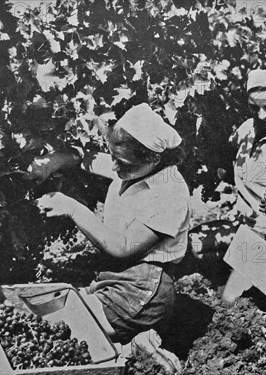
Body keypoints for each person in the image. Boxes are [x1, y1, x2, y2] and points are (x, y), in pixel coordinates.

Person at [28, 103, 188, 371]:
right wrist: (55, 160)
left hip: (145, 289)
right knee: (57, 313)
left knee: (68, 328)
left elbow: (123, 247)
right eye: (112, 155)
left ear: (153, 159)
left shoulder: (169, 194)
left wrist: (71, 208)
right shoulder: (133, 166)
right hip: (118, 277)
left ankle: (132, 352)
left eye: (122, 162)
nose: (113, 166)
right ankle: (134, 343)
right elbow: (85, 160)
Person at [190, 69, 266, 260]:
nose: (261, 115)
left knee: (245, 282)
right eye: (254, 108)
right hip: (247, 223)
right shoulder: (247, 129)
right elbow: (227, 160)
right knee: (195, 244)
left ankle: (246, 268)